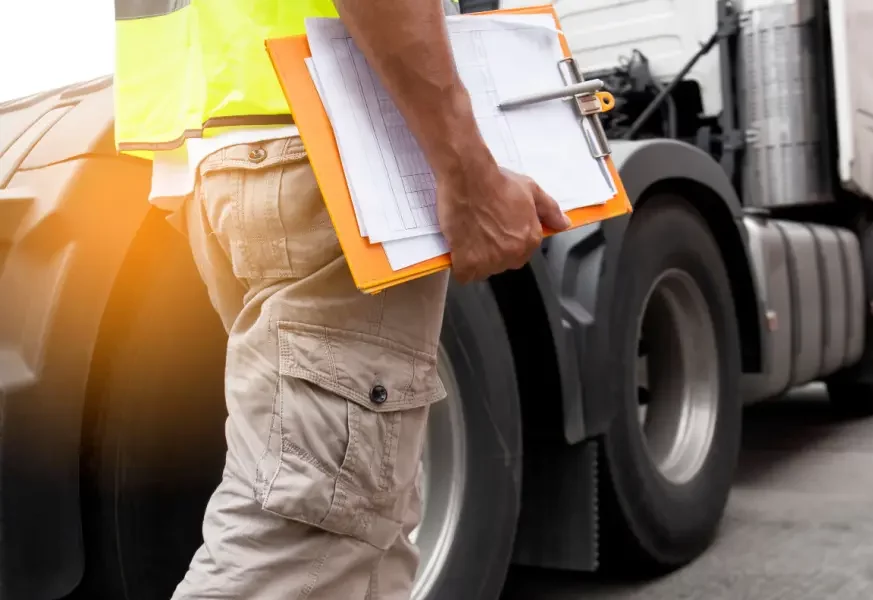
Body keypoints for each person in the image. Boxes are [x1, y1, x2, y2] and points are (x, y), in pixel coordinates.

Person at [112, 0, 570, 597]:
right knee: (302, 537)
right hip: (324, 140)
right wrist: (468, 169)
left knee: (364, 535)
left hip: (219, 150)